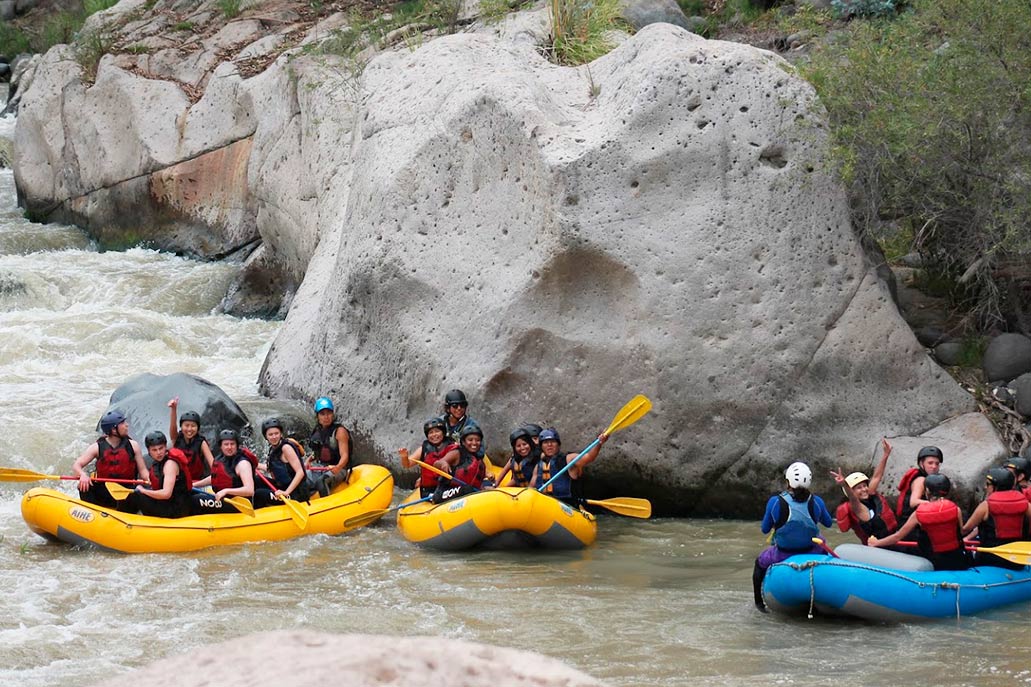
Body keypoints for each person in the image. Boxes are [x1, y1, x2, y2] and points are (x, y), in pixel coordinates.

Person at [752, 462, 833, 613]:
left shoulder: (775, 502)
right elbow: (828, 523)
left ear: (788, 481)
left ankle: (759, 603)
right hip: (813, 551)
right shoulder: (817, 501)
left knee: (759, 562)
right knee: (823, 541)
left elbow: (764, 529)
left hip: (782, 554)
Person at [869, 474, 970, 571]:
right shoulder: (956, 509)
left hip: (933, 562)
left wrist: (877, 543)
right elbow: (961, 532)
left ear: (927, 491)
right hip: (957, 559)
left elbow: (897, 537)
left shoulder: (918, 514)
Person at [71, 409, 148, 510]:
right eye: (123, 423)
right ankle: (91, 514)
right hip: (104, 491)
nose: (127, 425)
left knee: (139, 491)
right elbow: (77, 465)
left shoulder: (133, 446)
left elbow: (143, 471)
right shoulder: (97, 447)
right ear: (114, 429)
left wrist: (151, 481)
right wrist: (83, 475)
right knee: (84, 486)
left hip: (126, 491)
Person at [961, 467, 1031, 570]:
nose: (985, 487)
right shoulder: (1027, 506)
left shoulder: (985, 506)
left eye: (988, 484)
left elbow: (965, 530)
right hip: (1017, 560)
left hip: (989, 559)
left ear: (995, 486)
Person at [831, 438, 897, 544]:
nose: (864, 489)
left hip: (892, 538)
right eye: (859, 488)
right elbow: (852, 497)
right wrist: (844, 483)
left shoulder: (870, 494)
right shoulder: (856, 507)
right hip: (877, 546)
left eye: (864, 486)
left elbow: (876, 477)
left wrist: (886, 455)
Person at [530, 428, 608, 506]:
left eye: (553, 442)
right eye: (546, 442)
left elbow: (589, 457)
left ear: (558, 444)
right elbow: (530, 489)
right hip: (546, 505)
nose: (549, 445)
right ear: (541, 446)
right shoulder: (538, 466)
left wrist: (599, 443)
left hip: (568, 507)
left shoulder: (569, 459)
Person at [125, 431, 192, 518]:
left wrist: (143, 491)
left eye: (161, 448)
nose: (158, 452)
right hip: (167, 504)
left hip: (176, 510)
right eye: (154, 450)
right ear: (149, 451)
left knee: (135, 495)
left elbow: (166, 494)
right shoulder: (158, 463)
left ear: (165, 447)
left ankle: (124, 522)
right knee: (134, 490)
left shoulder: (170, 464)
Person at [191, 429, 257, 514]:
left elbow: (249, 490)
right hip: (225, 499)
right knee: (192, 493)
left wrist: (226, 491)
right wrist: (194, 485)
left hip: (237, 503)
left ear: (237, 445)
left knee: (196, 500)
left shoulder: (242, 464)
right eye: (226, 444)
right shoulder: (221, 459)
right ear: (221, 446)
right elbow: (215, 477)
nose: (229, 447)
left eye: (232, 444)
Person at [255, 417, 310, 507]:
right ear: (266, 436)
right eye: (270, 434)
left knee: (259, 493)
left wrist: (286, 492)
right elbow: (274, 469)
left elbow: (300, 472)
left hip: (295, 493)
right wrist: (255, 465)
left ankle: (259, 517)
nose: (274, 437)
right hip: (282, 486)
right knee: (256, 480)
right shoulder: (274, 448)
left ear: (281, 434)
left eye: (276, 433)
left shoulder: (286, 448)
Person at [398, 417, 458, 498]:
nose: (434, 435)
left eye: (437, 431)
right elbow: (407, 464)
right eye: (431, 432)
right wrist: (404, 457)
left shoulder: (453, 446)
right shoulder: (424, 448)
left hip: (449, 487)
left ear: (443, 432)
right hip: (429, 490)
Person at [305, 396, 353, 497]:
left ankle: (325, 507)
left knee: (321, 482)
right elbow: (318, 452)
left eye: (329, 413)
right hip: (322, 467)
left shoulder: (340, 431)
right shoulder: (317, 431)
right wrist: (308, 461)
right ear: (317, 416)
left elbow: (345, 455)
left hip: (339, 469)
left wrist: (338, 467)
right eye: (322, 414)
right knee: (301, 477)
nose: (326, 417)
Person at [431, 424, 487, 502]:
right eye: (470, 440)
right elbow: (437, 463)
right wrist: (444, 464)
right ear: (463, 442)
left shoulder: (480, 462)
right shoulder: (457, 453)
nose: (474, 443)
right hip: (443, 493)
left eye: (477, 440)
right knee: (467, 489)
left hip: (468, 495)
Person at [167, 397, 214, 482]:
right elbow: (173, 426)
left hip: (196, 482)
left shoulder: (201, 443)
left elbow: (213, 466)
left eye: (193, 426)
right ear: (181, 427)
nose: (189, 429)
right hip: (179, 481)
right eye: (186, 425)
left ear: (198, 428)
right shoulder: (176, 438)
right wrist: (173, 409)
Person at [895, 445, 944, 522]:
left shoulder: (929, 479)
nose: (934, 466)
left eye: (937, 463)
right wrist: (935, 504)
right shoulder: (921, 480)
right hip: (910, 524)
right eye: (930, 463)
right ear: (921, 464)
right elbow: (913, 502)